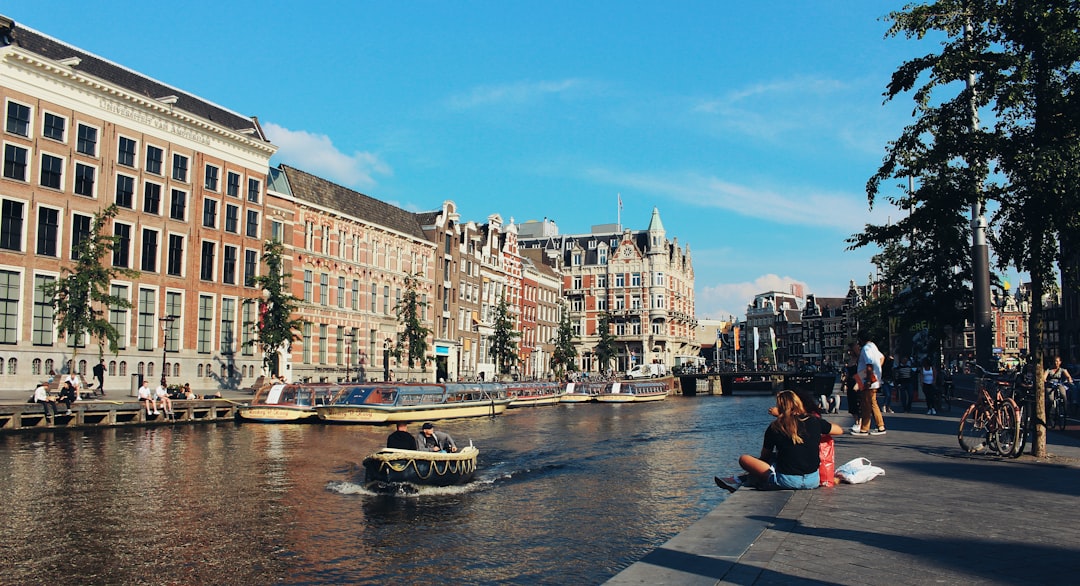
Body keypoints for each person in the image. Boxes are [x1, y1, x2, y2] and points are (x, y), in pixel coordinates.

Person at [715, 390, 844, 492]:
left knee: (744, 459)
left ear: (779, 407)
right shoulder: (814, 421)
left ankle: (742, 479)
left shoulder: (775, 427)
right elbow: (839, 430)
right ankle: (741, 479)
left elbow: (764, 457)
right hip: (813, 480)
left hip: (787, 481)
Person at [853, 330, 887, 436]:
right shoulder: (874, 346)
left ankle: (864, 428)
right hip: (873, 378)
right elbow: (882, 358)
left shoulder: (866, 349)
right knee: (873, 403)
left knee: (866, 404)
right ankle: (880, 426)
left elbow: (869, 364)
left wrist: (868, 379)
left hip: (867, 380)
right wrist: (878, 371)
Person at [843, 342, 861, 432]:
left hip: (857, 382)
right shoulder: (850, 360)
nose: (848, 353)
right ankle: (856, 421)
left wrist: (858, 383)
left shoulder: (859, 360)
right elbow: (848, 373)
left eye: (850, 350)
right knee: (851, 402)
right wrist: (844, 383)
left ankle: (860, 423)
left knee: (858, 401)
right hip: (850, 382)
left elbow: (861, 372)